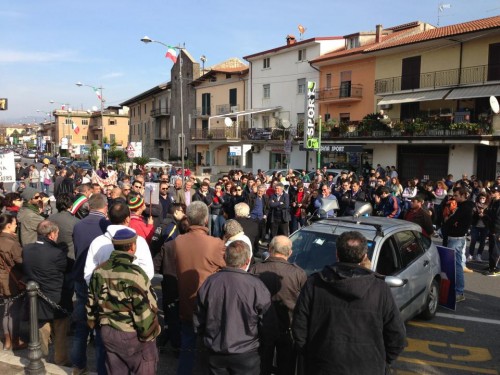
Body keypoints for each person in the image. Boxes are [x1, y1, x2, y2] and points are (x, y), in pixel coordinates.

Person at [292, 231, 406, 374]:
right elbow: (397, 337)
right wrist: (380, 361)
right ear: (364, 256)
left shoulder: (315, 283)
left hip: (322, 366)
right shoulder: (380, 288)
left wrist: (312, 356)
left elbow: (299, 327)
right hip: (367, 368)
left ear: (337, 254)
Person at [194, 240, 277, 375]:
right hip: (246, 354)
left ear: (225, 258)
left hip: (216, 350)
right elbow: (268, 324)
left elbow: (198, 318)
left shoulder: (210, 282)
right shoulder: (256, 286)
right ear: (248, 261)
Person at [87, 228, 161, 375]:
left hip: (108, 332)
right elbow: (146, 310)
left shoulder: (99, 271)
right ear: (132, 247)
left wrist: (98, 328)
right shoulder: (137, 273)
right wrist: (149, 336)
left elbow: (91, 305)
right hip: (133, 334)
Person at [170, 201, 225, 374]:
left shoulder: (179, 241)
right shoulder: (215, 243)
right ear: (206, 220)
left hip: (186, 302)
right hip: (208, 306)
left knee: (188, 347)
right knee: (208, 352)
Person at [250, 236, 307, 375]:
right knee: (286, 369)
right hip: (288, 329)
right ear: (290, 253)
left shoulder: (255, 269)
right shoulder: (298, 274)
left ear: (269, 249)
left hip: (260, 330)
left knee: (261, 368)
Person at [71, 194, 110, 375]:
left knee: (82, 325)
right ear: (105, 207)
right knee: (102, 326)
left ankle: (78, 365)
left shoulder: (78, 225)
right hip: (100, 281)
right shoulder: (106, 227)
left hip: (80, 277)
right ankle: (101, 368)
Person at [23, 221, 71, 365]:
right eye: (56, 234)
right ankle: (60, 359)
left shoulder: (27, 249)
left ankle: (41, 357)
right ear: (51, 235)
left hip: (36, 296)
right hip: (56, 297)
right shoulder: (57, 253)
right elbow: (65, 268)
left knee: (42, 328)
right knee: (60, 332)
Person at [441, 187, 474, 301]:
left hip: (456, 238)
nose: (454, 197)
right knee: (456, 264)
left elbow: (451, 220)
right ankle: (456, 290)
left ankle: (459, 292)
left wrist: (449, 220)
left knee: (456, 265)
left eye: (456, 195)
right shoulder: (462, 206)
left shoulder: (466, 207)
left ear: (464, 195)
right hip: (454, 237)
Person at [0, 214, 26, 351]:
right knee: (14, 310)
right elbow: (20, 262)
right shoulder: (12, 243)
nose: (16, 226)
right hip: (12, 280)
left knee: (6, 310)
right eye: (15, 223)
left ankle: (7, 340)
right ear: (8, 225)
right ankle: (15, 340)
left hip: (1, 279)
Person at [485, 185, 500, 276]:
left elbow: (498, 218)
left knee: (496, 249)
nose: (492, 194)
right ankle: (491, 266)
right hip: (491, 228)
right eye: (491, 192)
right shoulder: (493, 202)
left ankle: (497, 268)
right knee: (491, 248)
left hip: (497, 229)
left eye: (494, 192)